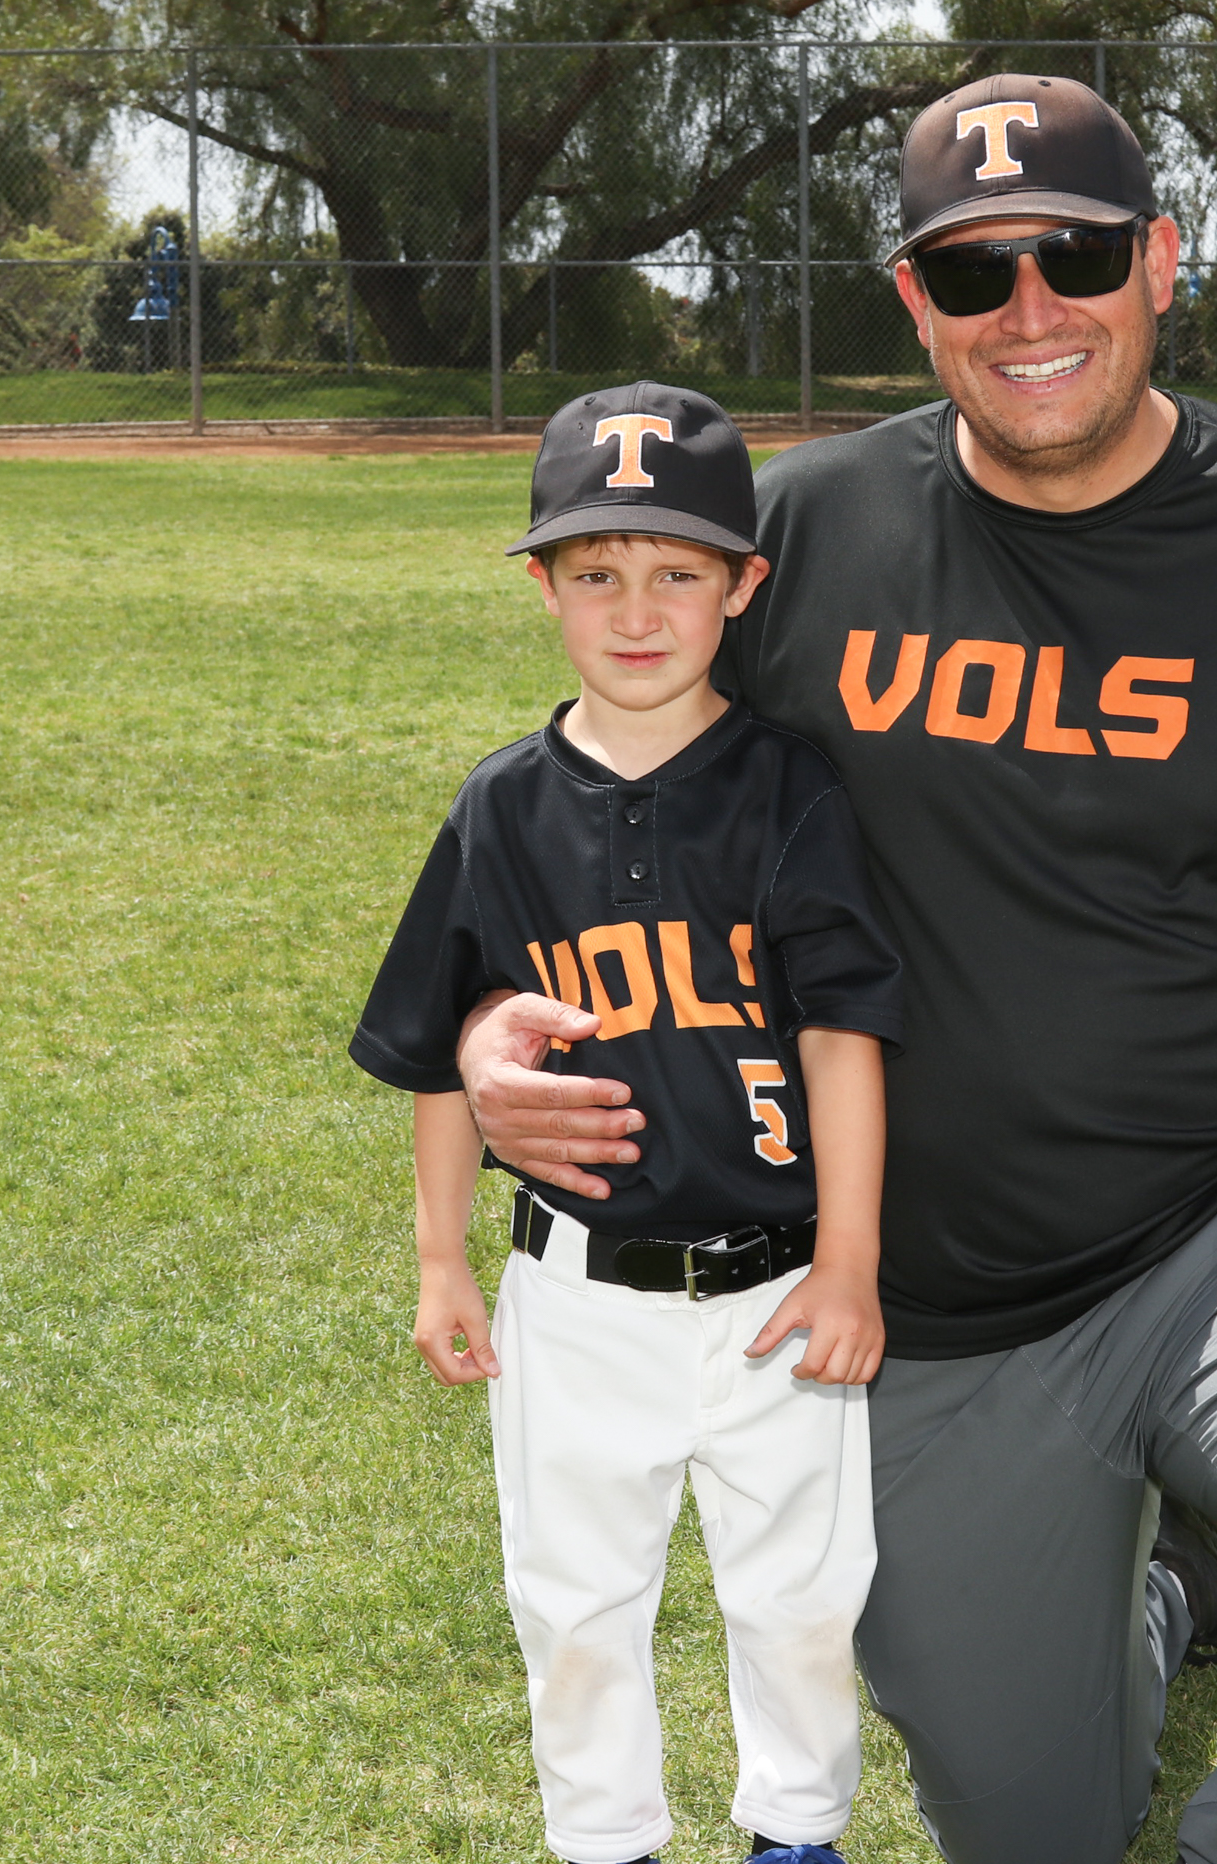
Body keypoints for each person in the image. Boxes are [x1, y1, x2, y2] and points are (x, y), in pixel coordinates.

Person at [461, 80, 1217, 1864]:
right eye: (972, 273)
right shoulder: (801, 536)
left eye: (1076, 257)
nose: (1030, 310)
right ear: (913, 300)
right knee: (1039, 1827)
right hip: (912, 1303)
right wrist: (499, 1035)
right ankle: (1161, 1600)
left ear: (1160, 261)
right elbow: (604, 818)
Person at [348, 384, 905, 1864]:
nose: (638, 612)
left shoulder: (791, 789)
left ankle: (797, 1836)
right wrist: (442, 1261)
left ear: (743, 586)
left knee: (802, 1599)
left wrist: (852, 1263)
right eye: (596, 573)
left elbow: (844, 1034)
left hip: (781, 1286)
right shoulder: (500, 808)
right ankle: (605, 1843)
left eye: (677, 572)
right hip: (577, 1295)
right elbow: (441, 1054)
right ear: (544, 585)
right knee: (574, 1605)